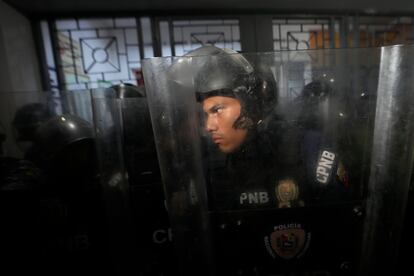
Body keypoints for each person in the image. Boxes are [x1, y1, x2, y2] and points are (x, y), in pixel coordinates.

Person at [183, 45, 350, 211]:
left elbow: (337, 220)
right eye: (207, 114)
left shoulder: (309, 149)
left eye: (217, 110)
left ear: (253, 106)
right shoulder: (210, 165)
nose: (209, 126)